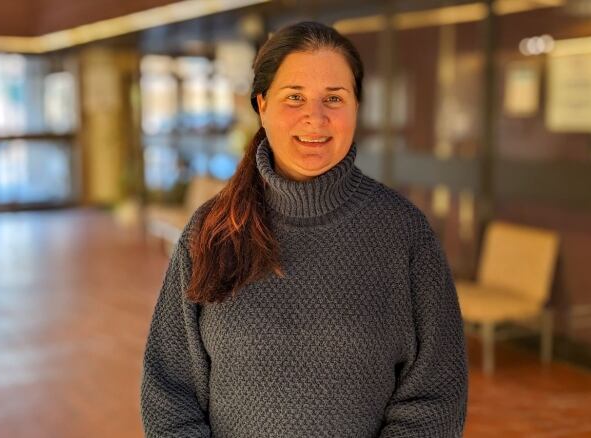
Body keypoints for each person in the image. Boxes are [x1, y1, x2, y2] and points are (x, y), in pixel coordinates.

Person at [140, 21, 467, 438]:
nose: (316, 117)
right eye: (294, 97)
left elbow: (435, 396)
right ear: (261, 105)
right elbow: (170, 391)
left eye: (334, 97)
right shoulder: (211, 231)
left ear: (356, 107)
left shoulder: (403, 233)